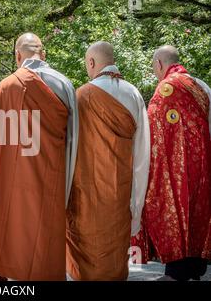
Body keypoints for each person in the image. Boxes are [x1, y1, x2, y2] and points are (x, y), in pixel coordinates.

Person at [0, 32, 78, 281]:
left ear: (17, 56)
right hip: (52, 176)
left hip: (12, 181)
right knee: (46, 238)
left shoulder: (5, 87)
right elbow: (73, 139)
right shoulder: (64, 83)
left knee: (13, 225)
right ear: (43, 54)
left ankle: (5, 269)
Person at [66, 41, 150, 281]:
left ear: (91, 63)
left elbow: (69, 149)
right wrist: (137, 203)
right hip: (119, 196)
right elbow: (143, 154)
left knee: (85, 264)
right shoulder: (133, 93)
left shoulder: (81, 96)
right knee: (114, 263)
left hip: (86, 197)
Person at [132, 45, 211, 281]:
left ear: (159, 64)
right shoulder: (201, 86)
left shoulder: (165, 89)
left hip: (174, 168)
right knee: (198, 212)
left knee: (175, 212)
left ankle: (176, 270)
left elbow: (151, 134)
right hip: (202, 166)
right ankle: (196, 267)